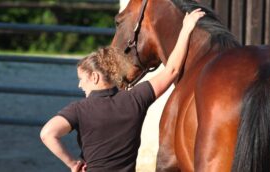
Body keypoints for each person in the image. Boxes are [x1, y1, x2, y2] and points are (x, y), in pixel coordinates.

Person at [40, 9, 205, 172]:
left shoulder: (78, 110)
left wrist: (72, 164)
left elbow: (48, 134)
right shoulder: (135, 98)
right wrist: (186, 29)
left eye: (82, 79)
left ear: (95, 77)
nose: (80, 85)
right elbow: (172, 70)